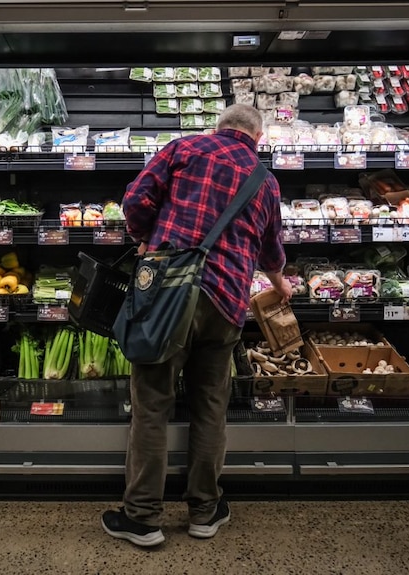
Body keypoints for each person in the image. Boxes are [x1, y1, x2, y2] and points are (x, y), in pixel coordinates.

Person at [101, 103, 293, 547]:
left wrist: (144, 238)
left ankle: (143, 518)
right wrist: (281, 284)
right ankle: (205, 512)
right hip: (227, 302)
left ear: (218, 127)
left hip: (168, 296)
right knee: (210, 407)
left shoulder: (184, 147)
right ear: (257, 138)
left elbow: (136, 200)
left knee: (152, 405)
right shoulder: (266, 181)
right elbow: (271, 249)